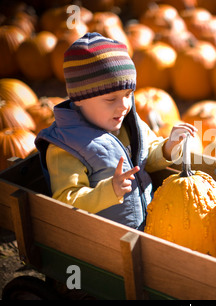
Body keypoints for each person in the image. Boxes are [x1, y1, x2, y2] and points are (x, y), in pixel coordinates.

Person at [35, 32, 196, 230]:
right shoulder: (66, 147)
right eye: (111, 99)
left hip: (148, 227)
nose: (123, 106)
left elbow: (145, 158)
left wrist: (167, 147)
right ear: (79, 99)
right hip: (104, 241)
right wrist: (109, 190)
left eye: (128, 95)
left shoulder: (129, 124)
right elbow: (67, 199)